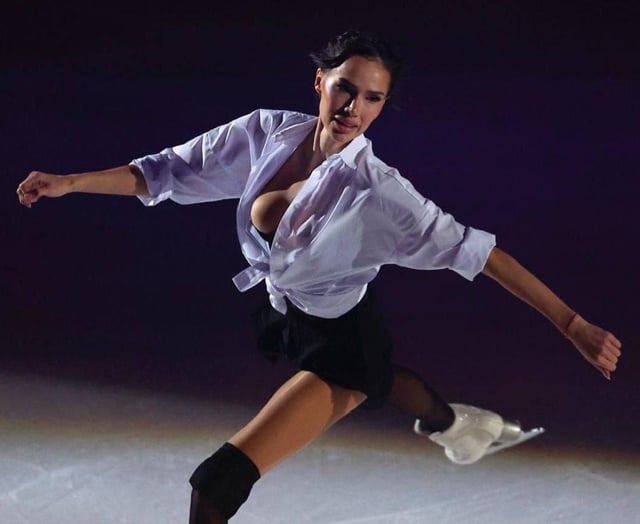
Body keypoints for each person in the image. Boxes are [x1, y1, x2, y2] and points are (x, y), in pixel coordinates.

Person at [16, 30, 621, 523]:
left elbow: (481, 254)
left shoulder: (380, 193)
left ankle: (458, 424)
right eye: (345, 89)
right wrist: (72, 182)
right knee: (387, 378)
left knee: (218, 482)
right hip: (293, 317)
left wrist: (573, 325)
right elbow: (168, 172)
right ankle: (462, 426)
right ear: (320, 83)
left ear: (383, 106)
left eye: (373, 99)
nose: (354, 109)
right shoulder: (267, 133)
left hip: (342, 347)